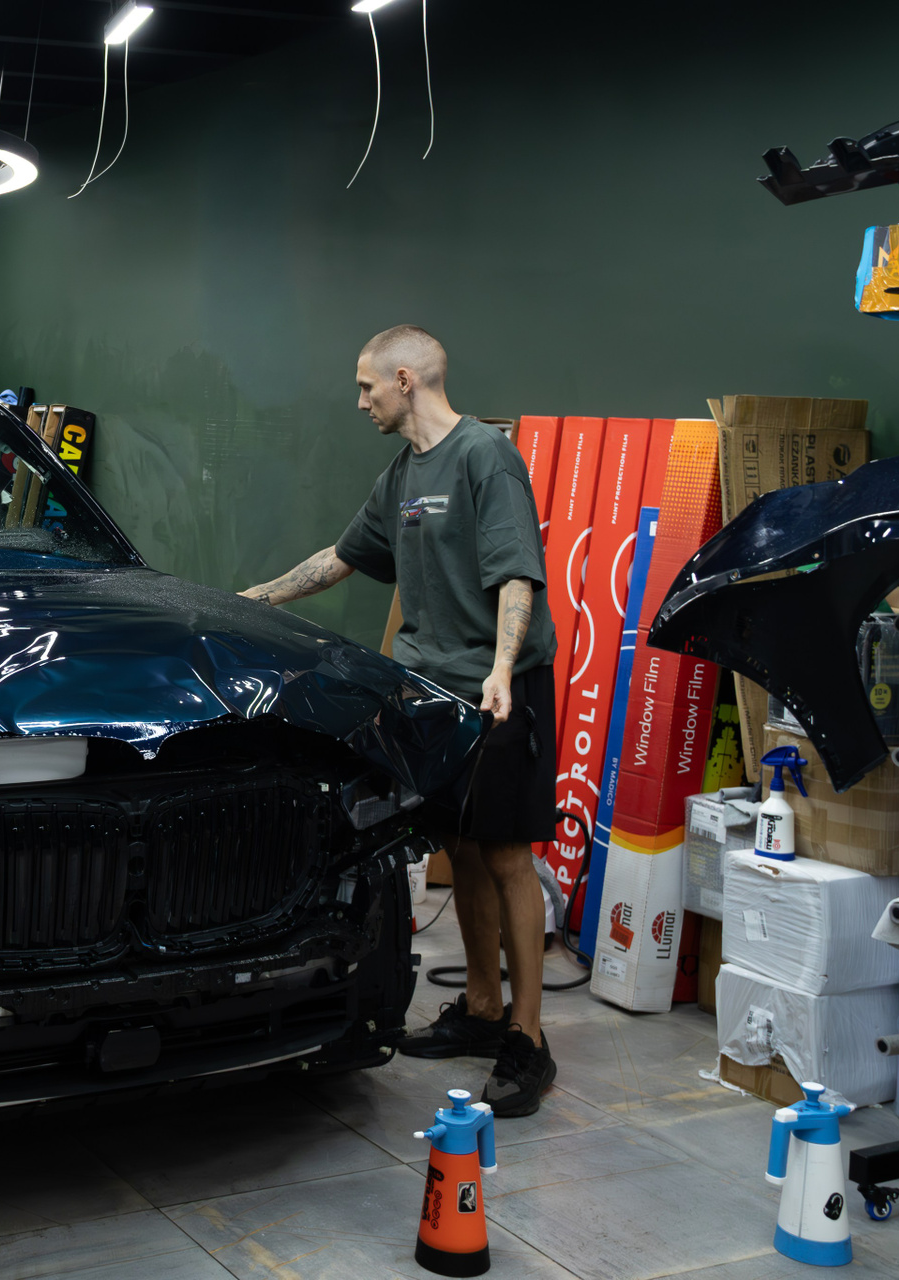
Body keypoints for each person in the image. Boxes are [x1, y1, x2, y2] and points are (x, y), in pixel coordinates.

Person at [240, 325, 560, 1116]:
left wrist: (500, 667)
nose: (361, 402)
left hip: (498, 688)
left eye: (367, 386)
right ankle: (482, 1007)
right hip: (433, 690)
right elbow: (341, 556)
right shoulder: (404, 474)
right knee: (462, 847)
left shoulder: (485, 456)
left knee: (507, 854)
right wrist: (251, 601)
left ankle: (528, 1038)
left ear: (406, 379)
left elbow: (518, 574)